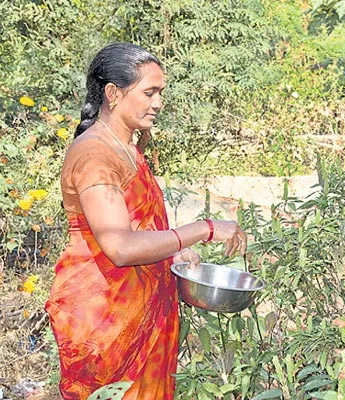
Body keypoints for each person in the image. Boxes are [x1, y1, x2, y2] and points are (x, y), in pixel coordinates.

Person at [45, 42, 248, 399]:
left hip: (142, 312)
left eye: (161, 93)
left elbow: (137, 231)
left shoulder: (127, 149)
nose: (158, 103)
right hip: (106, 319)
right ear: (113, 93)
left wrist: (170, 254)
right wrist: (204, 229)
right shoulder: (96, 155)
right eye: (149, 92)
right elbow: (119, 246)